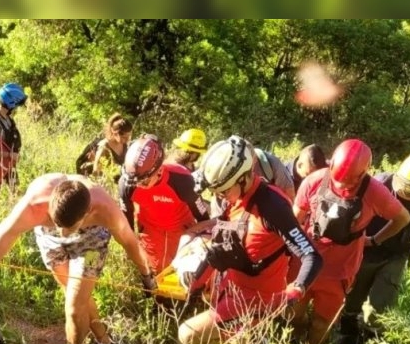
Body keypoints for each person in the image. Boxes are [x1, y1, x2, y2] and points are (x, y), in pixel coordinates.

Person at [0, 174, 156, 344]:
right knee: (74, 293)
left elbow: (130, 242)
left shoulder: (104, 208)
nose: (63, 232)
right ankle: (105, 343)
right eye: (57, 223)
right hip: (49, 239)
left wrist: (146, 276)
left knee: (74, 309)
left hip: (91, 242)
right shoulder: (34, 206)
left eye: (67, 227)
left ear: (87, 213)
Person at [175, 135, 323, 344]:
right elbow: (221, 245)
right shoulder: (233, 200)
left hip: (258, 296)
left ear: (244, 178)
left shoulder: (273, 207)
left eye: (224, 191)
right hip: (231, 286)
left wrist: (295, 291)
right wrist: (196, 286)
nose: (221, 197)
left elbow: (311, 256)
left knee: (187, 334)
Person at [290, 138, 410, 344]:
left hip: (340, 271)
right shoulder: (314, 180)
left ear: (364, 172)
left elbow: (402, 217)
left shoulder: (374, 191)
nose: (343, 186)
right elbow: (293, 221)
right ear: (331, 164)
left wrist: (374, 239)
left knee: (321, 324)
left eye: (350, 183)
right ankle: (296, 341)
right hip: (304, 264)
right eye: (338, 181)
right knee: (293, 315)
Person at [339, 152, 410, 344]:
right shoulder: (379, 184)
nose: (404, 191)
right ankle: (347, 338)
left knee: (379, 305)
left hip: (396, 254)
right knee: (352, 298)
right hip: (366, 250)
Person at [118, 134, 210, 276]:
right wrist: (130, 247)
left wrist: (202, 244)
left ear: (159, 169)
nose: (139, 186)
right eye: (135, 182)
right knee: (154, 280)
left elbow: (203, 216)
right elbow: (126, 220)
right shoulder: (127, 184)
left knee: (180, 276)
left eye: (144, 182)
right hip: (150, 235)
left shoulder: (181, 180)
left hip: (181, 233)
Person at [195, 137, 296, 216]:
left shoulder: (270, 163)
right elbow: (218, 213)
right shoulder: (226, 175)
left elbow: (288, 191)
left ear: (254, 159)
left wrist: (288, 216)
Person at [0, 82, 28, 197]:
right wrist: (9, 155)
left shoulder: (8, 119)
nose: (17, 107)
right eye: (16, 104)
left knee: (17, 194)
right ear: (11, 103)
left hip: (8, 165)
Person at [90, 113, 133, 180]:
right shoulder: (104, 147)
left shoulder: (125, 144)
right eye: (124, 137)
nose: (127, 140)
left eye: (129, 137)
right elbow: (96, 172)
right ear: (115, 133)